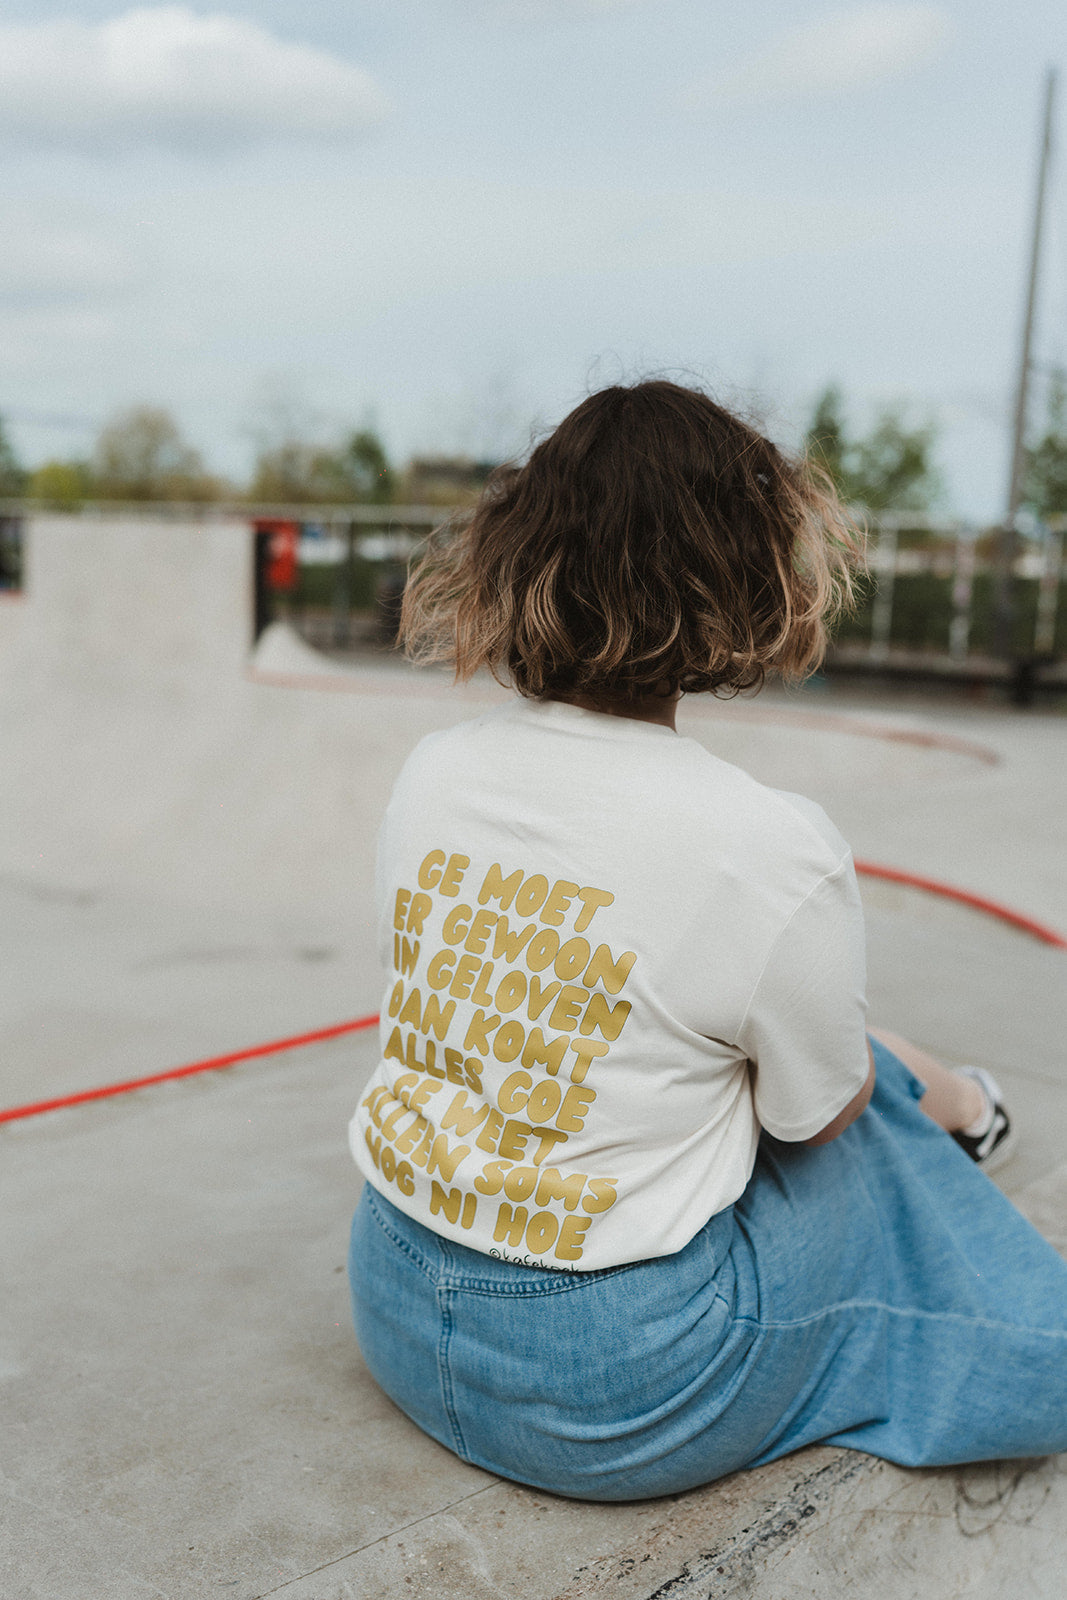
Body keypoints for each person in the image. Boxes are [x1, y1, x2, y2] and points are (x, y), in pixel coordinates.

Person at [346, 380, 1067, 1501]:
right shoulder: (766, 846)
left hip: (391, 1298)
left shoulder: (433, 771)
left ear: (520, 550)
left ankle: (960, 1099)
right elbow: (817, 1120)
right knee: (858, 1117)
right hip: (614, 1391)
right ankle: (967, 1121)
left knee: (747, 1038)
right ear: (750, 573)